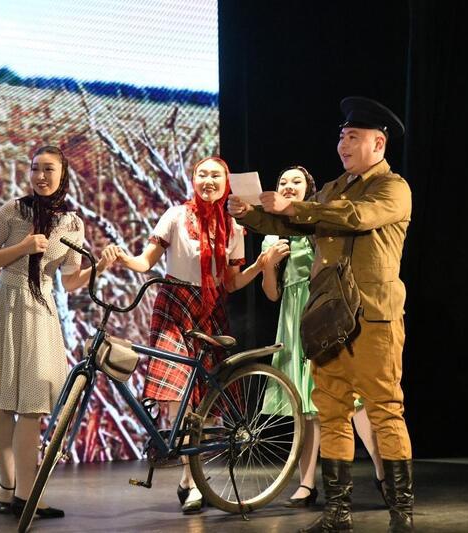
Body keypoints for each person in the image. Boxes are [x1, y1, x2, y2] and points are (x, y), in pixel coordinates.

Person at [229, 97, 414, 532]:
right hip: (327, 318)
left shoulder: (392, 188)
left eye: (353, 137)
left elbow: (355, 217)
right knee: (330, 410)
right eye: (341, 136)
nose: (343, 145)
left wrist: (293, 206)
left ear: (378, 143)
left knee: (384, 409)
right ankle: (336, 513)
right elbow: (294, 225)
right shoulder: (333, 188)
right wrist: (253, 215)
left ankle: (401, 513)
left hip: (372, 317)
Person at [0, 146, 118, 520]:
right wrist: (23, 247)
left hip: (40, 309)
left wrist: (101, 268)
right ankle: (7, 485)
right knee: (1, 401)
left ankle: (26, 495)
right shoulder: (12, 211)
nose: (41, 176)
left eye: (49, 169)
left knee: (32, 405)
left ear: (63, 174)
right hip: (6, 302)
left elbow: (71, 280)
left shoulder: (72, 224)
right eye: (35, 168)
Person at [113, 156, 266, 514]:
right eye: (202, 174)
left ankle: (190, 480)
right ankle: (190, 478)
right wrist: (122, 258)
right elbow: (146, 261)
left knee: (205, 399)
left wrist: (260, 266)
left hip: (210, 310)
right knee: (177, 392)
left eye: (216, 175)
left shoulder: (233, 226)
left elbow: (231, 282)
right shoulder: (176, 215)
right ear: (193, 179)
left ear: (225, 183)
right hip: (175, 305)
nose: (208, 181)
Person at [257, 165, 386, 509]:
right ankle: (306, 484)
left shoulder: (318, 223)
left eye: (296, 181)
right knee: (305, 407)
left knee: (352, 400)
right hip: (292, 319)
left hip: (323, 312)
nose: (288, 186)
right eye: (282, 181)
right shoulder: (273, 234)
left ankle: (383, 472)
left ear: (309, 189)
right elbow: (272, 294)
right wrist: (268, 265)